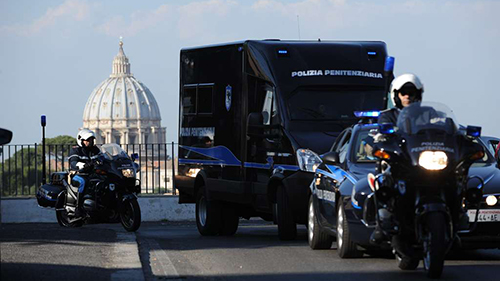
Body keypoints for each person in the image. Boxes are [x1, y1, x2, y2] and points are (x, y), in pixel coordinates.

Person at [68, 129, 100, 216]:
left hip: (93, 174)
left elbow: (102, 157)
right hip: (79, 174)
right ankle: (78, 208)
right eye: (87, 140)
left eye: (91, 140)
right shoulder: (76, 150)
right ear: (81, 140)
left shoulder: (95, 150)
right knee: (82, 182)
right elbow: (73, 162)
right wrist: (83, 165)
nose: (89, 142)